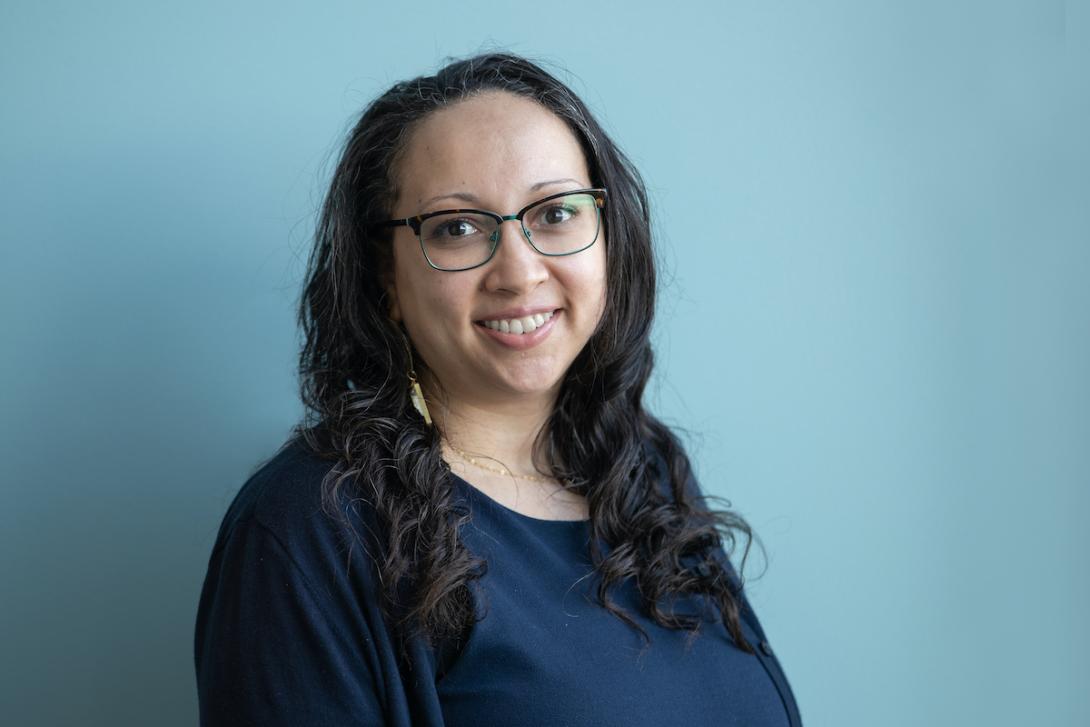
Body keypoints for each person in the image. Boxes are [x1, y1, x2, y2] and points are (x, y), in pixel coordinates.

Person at [194, 52, 801, 726]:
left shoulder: (645, 470)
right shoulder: (310, 528)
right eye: (456, 228)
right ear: (386, 279)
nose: (518, 271)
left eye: (555, 213)